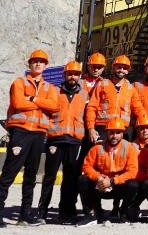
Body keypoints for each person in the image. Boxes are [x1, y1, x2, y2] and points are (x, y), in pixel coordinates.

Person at [0, 49, 59, 228]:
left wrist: (32, 98)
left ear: (46, 66)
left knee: (31, 175)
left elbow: (54, 106)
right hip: (20, 132)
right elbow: (18, 103)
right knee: (9, 173)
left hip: (38, 134)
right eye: (34, 61)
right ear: (29, 64)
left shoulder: (50, 88)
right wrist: (39, 102)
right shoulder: (19, 82)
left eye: (41, 61)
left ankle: (25, 215)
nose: (38, 64)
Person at [37, 60, 88, 224]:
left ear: (79, 76)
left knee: (70, 178)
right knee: (49, 177)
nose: (72, 76)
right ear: (64, 75)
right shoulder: (54, 92)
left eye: (76, 74)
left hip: (74, 141)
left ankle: (66, 212)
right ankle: (42, 212)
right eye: (69, 73)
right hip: (55, 139)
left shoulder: (84, 94)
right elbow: (44, 112)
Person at [77, 118, 140, 226]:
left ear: (123, 133)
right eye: (111, 132)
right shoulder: (97, 148)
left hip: (117, 186)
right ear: (106, 133)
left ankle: (123, 212)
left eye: (118, 132)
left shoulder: (129, 148)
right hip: (100, 185)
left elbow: (132, 172)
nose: (114, 136)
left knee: (133, 185)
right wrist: (99, 178)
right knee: (82, 180)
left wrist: (112, 181)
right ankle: (93, 214)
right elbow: (86, 166)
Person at [86, 55, 144, 144]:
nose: (121, 70)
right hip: (103, 129)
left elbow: (139, 109)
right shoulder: (102, 85)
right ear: (113, 68)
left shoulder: (131, 89)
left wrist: (146, 125)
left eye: (124, 68)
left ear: (128, 71)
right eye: (119, 67)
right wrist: (91, 128)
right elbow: (91, 107)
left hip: (123, 130)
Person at [126, 114, 148, 222]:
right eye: (141, 128)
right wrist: (146, 176)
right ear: (137, 130)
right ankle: (133, 205)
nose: (145, 131)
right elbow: (131, 169)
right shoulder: (131, 146)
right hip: (139, 178)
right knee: (132, 184)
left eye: (147, 128)